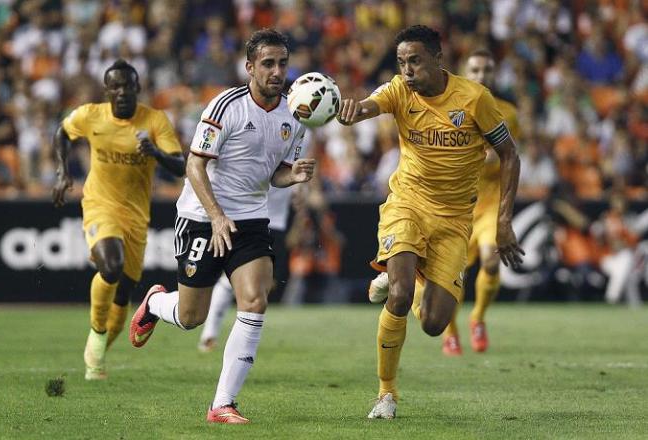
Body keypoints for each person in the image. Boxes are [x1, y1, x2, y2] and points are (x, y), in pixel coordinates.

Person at [128, 29, 315, 424]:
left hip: (250, 219)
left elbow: (275, 174)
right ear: (249, 67)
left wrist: (293, 174)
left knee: (255, 300)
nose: (277, 71)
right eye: (268, 64)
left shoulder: (296, 116)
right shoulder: (225, 105)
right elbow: (195, 165)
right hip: (201, 217)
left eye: (282, 63)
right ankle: (156, 303)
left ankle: (222, 404)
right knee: (190, 316)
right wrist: (216, 216)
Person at [337, 25, 524, 419]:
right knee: (399, 296)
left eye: (415, 61)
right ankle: (386, 394)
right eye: (402, 62)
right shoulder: (399, 91)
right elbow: (371, 104)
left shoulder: (475, 99)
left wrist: (504, 220)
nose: (407, 70)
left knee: (435, 325)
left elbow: (509, 154)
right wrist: (353, 111)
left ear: (438, 59)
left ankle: (415, 281)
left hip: (456, 218)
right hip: (407, 204)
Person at [52, 59, 185, 380]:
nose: (123, 92)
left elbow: (180, 166)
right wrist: (62, 170)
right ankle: (96, 333)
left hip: (136, 216)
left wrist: (154, 152)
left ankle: (96, 355)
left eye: (128, 86)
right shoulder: (90, 115)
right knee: (110, 267)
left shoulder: (154, 121)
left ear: (138, 88)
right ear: (107, 90)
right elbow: (62, 133)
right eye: (116, 86)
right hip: (100, 205)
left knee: (123, 295)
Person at [440, 48, 523, 355]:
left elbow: (511, 158)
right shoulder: (449, 110)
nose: (481, 76)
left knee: (491, 260)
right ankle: (450, 332)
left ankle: (477, 318)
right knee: (453, 276)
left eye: (487, 70)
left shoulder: (508, 113)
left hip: (488, 205)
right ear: (464, 74)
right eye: (475, 70)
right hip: (456, 207)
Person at [196, 184, 297, 352]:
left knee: (265, 285)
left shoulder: (290, 160)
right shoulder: (259, 161)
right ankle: (210, 335)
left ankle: (218, 336)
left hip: (277, 226)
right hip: (253, 223)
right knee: (236, 283)